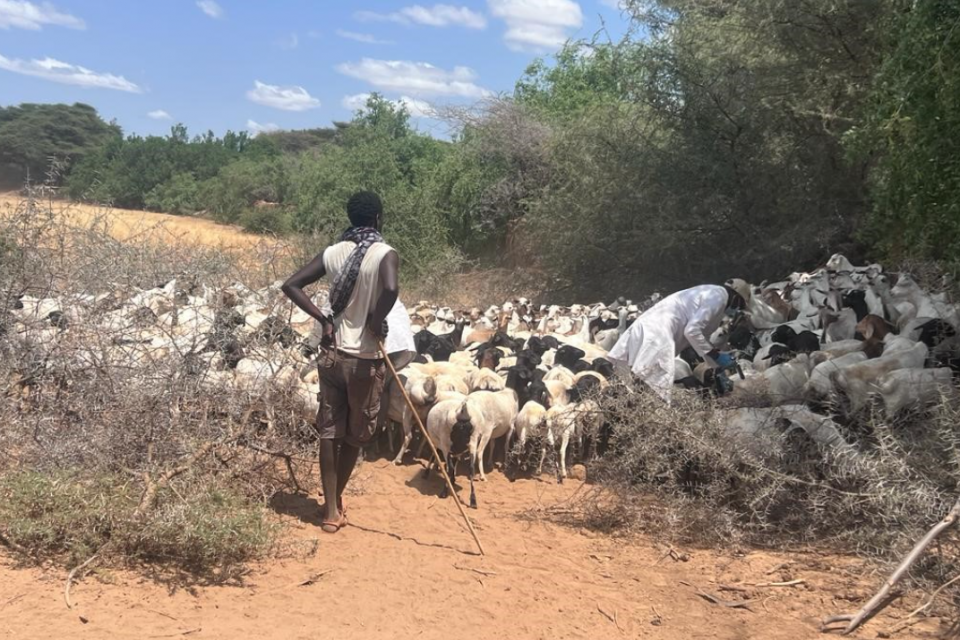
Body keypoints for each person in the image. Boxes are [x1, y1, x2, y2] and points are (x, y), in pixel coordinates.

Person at [281, 191, 399, 534]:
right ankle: (335, 504)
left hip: (331, 356)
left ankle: (332, 508)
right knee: (356, 434)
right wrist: (377, 321)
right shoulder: (384, 253)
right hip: (365, 359)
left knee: (330, 431)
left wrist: (324, 319)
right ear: (378, 219)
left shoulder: (333, 253)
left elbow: (292, 284)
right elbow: (391, 289)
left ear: (351, 218)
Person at [607, 279, 752, 401]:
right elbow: (692, 331)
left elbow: (702, 338)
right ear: (735, 295)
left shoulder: (710, 293)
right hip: (658, 334)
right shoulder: (719, 298)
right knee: (655, 392)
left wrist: (716, 367)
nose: (737, 309)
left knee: (636, 383)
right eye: (739, 305)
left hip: (648, 328)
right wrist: (716, 356)